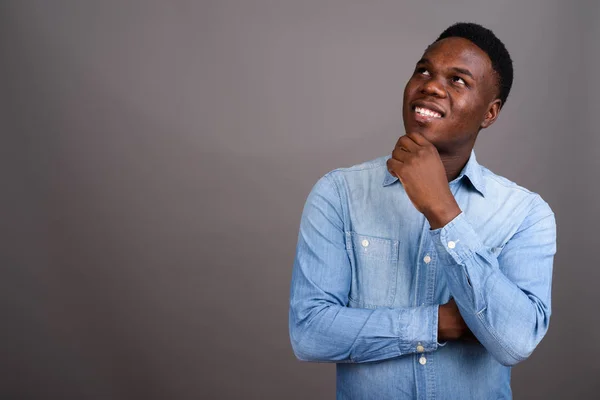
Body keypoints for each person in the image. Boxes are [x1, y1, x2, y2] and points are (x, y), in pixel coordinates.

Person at [289, 22, 556, 399]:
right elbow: (309, 333)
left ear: (490, 113)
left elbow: (514, 342)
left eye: (458, 80)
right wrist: (437, 325)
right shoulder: (339, 193)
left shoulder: (527, 214)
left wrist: (443, 211)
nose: (430, 85)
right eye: (423, 70)